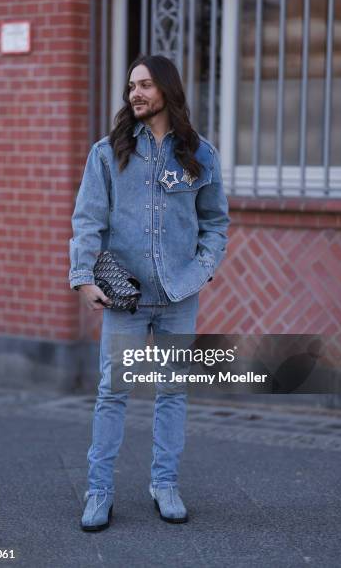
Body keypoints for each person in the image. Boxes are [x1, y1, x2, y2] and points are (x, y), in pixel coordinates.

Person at [69, 54, 230, 531]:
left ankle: (165, 484)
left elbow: (216, 223)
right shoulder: (107, 151)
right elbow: (88, 219)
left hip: (180, 294)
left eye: (144, 84)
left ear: (166, 89)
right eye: (131, 85)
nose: (134, 92)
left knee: (173, 391)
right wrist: (83, 276)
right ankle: (99, 492)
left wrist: (202, 269)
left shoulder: (199, 154)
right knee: (112, 393)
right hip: (127, 298)